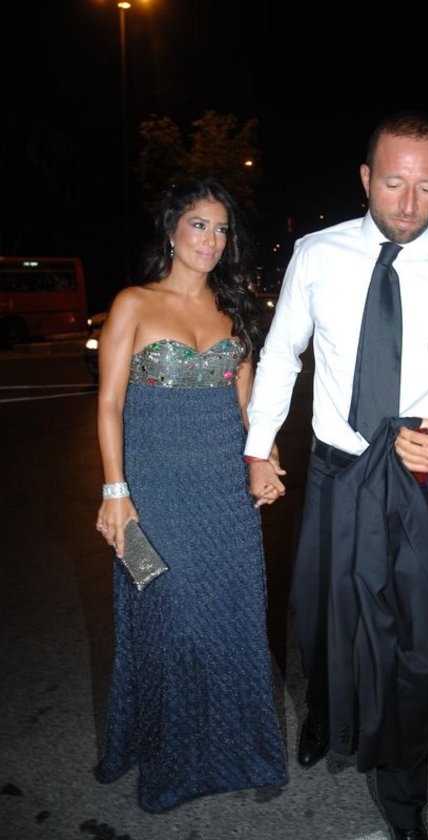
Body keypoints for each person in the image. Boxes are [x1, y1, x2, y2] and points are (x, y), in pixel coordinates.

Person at [243, 111, 428, 840]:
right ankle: (327, 717)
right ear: (367, 178)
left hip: (414, 479)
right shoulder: (317, 254)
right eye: (394, 183)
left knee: (416, 644)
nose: (408, 203)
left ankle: (403, 797)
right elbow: (282, 353)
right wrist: (259, 445)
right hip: (334, 471)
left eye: (426, 187)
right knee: (321, 614)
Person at [94, 176, 287, 813]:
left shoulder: (235, 311)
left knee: (233, 621)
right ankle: (169, 763)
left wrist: (264, 459)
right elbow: (109, 405)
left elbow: (248, 409)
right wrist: (116, 493)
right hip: (153, 499)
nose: (211, 239)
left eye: (221, 228)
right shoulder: (134, 303)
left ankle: (241, 754)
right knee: (167, 623)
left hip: (225, 499)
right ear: (172, 229)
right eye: (199, 224)